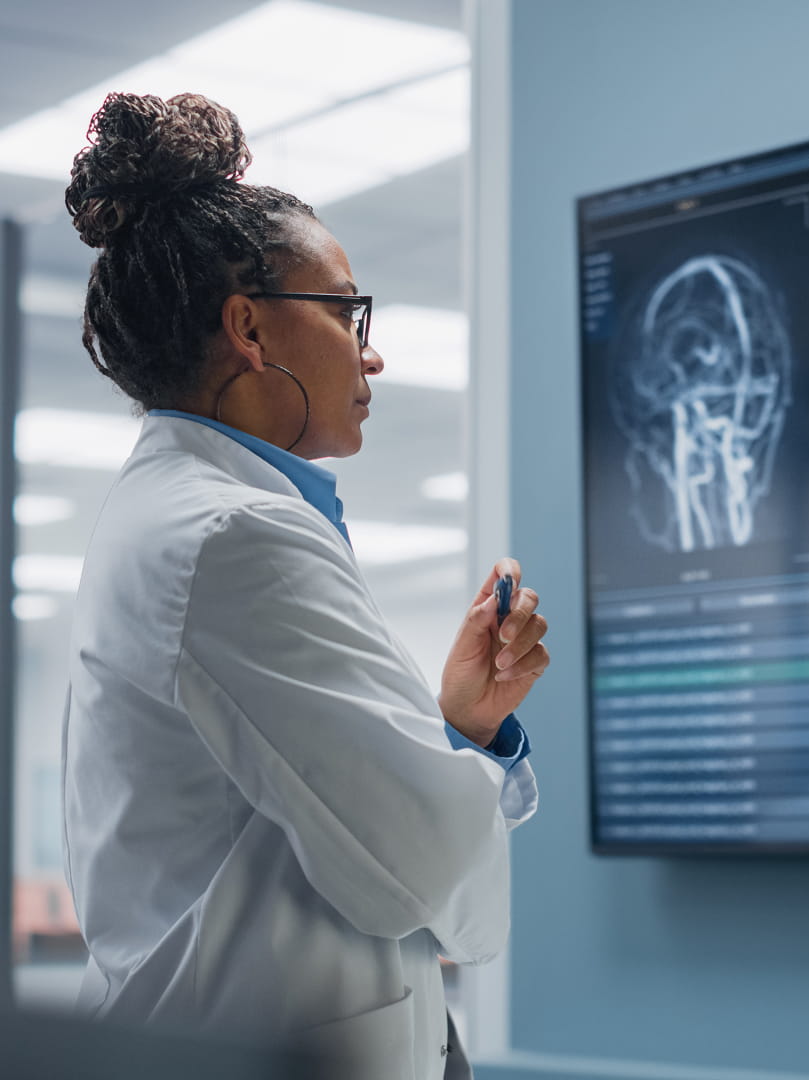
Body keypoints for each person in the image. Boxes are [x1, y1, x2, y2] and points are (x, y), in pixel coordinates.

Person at [60, 92, 547, 1080]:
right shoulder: (234, 534)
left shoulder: (183, 511)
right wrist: (463, 773)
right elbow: (425, 869)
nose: (371, 352)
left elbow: (326, 813)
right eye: (346, 311)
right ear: (250, 326)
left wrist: (461, 729)